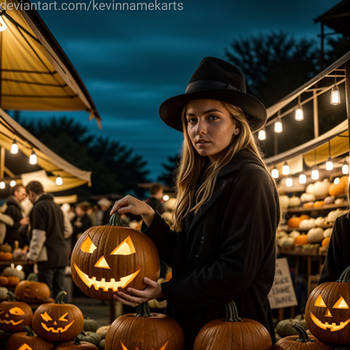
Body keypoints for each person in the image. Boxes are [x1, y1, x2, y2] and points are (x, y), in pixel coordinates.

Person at [110, 57, 280, 348]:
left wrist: (166, 291)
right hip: (195, 325)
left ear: (237, 125)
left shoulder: (250, 179)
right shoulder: (204, 179)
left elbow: (235, 270)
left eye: (212, 117)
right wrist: (152, 218)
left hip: (232, 331)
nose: (199, 129)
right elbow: (189, 257)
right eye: (192, 119)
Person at [26, 180, 72, 297]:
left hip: (47, 257)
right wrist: (56, 236)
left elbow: (38, 235)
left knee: (45, 293)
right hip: (61, 254)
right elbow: (68, 230)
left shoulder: (38, 207)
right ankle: (63, 314)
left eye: (28, 196)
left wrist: (32, 256)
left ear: (31, 193)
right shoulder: (57, 207)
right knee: (59, 293)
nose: (29, 200)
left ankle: (50, 315)